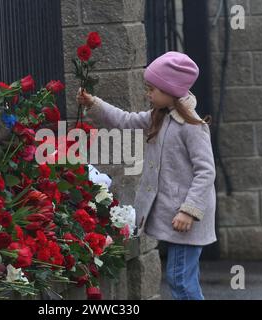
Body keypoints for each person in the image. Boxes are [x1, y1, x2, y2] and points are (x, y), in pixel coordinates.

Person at [76, 51, 217, 300]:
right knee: (182, 278)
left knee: (180, 280)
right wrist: (93, 104)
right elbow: (126, 121)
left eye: (152, 89)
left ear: (170, 90)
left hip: (186, 218)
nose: (148, 94)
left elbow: (206, 172)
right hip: (174, 216)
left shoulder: (193, 127)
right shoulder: (159, 117)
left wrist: (189, 210)